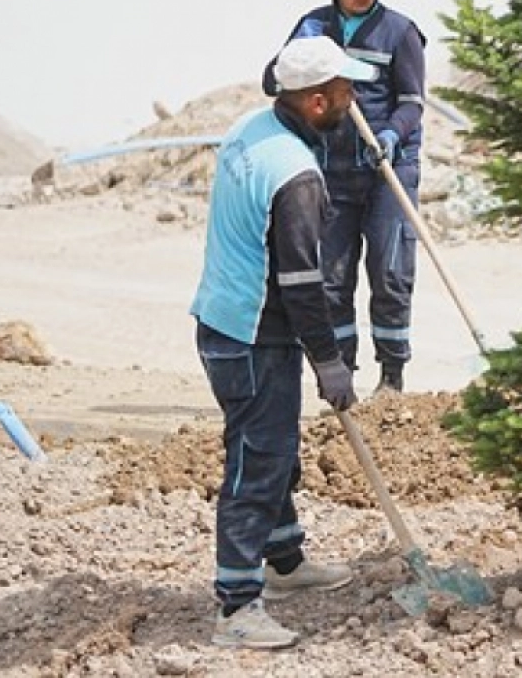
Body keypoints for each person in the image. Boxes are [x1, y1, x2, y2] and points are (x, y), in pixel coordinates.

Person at [192, 35, 378, 648]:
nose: (355, 101)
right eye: (347, 91)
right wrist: (330, 362)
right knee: (259, 460)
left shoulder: (253, 128)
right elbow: (303, 285)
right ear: (319, 102)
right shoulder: (296, 175)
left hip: (226, 318)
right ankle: (237, 608)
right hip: (251, 334)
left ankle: (285, 563)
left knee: (272, 447)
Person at [265, 0, 428, 394]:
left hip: (387, 171)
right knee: (332, 278)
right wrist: (298, 53)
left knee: (390, 271)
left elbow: (413, 101)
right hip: (329, 170)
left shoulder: (400, 32)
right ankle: (342, 378)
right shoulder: (313, 26)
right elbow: (271, 82)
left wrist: (392, 134)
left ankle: (392, 376)